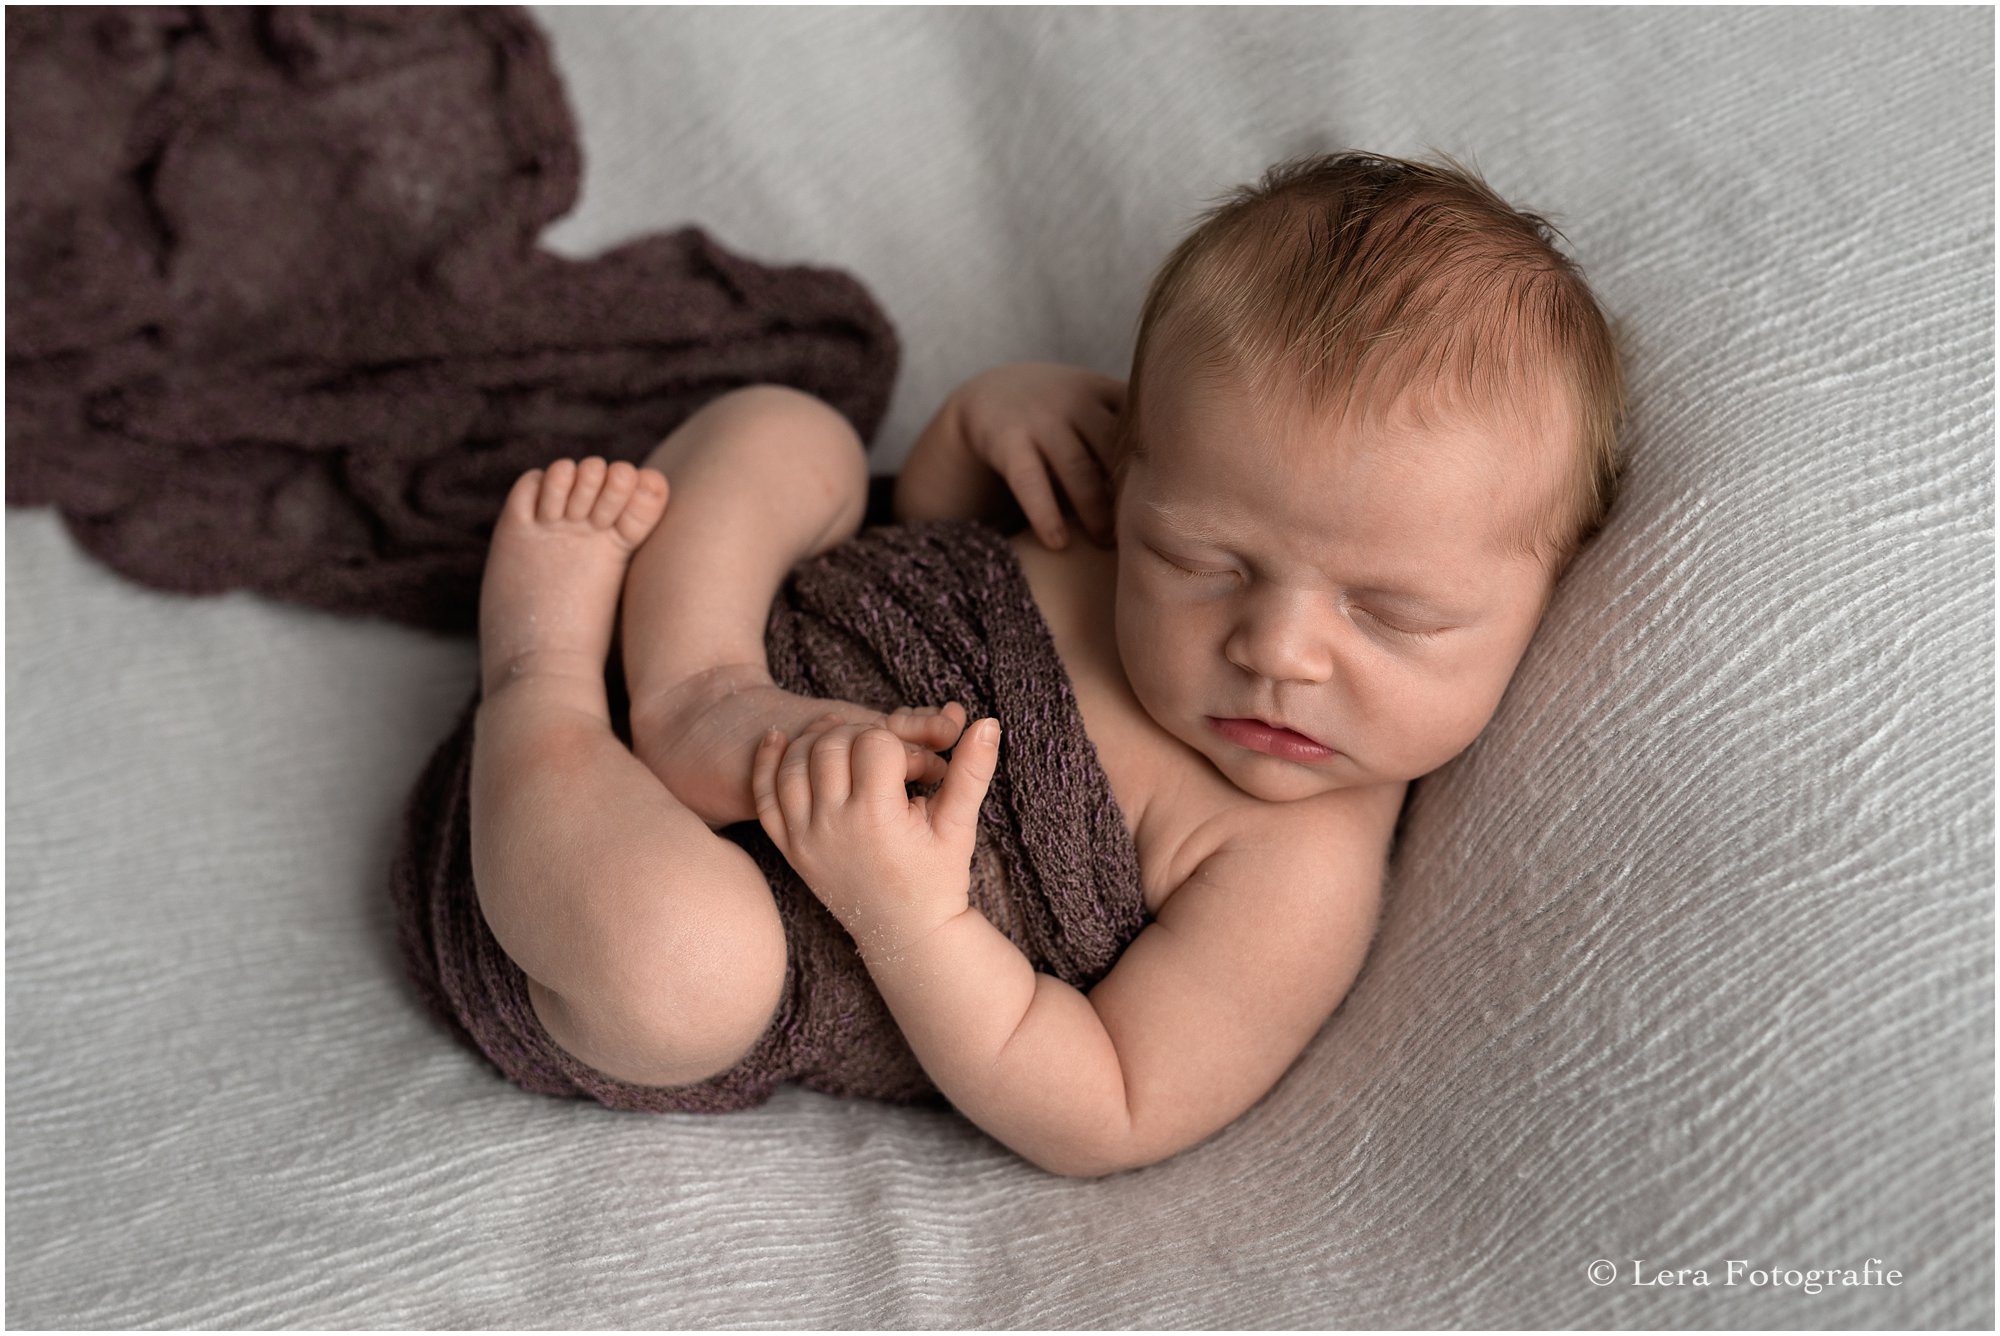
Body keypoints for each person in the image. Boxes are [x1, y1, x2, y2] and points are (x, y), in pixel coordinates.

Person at [466, 149, 1626, 1176]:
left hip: (597, 879)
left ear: (1545, 593)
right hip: (718, 635)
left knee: (685, 971)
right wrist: (981, 423)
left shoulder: (1296, 872)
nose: (1273, 649)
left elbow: (1109, 1104)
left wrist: (908, 919)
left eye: (1389, 613)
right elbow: (928, 534)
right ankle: (690, 687)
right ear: (1135, 472)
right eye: (1203, 559)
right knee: (792, 432)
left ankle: (542, 673)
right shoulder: (1124, 511)